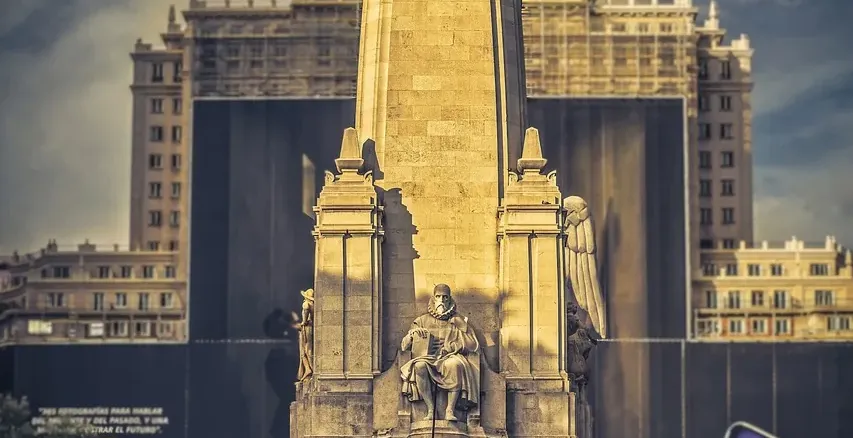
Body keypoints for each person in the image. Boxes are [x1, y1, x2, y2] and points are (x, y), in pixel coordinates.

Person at [400, 284, 479, 421]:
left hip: (449, 356)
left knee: (454, 365)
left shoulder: (457, 320)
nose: (441, 300)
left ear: (449, 299)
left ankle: (450, 410)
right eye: (438, 297)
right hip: (427, 357)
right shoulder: (421, 321)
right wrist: (411, 335)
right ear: (433, 298)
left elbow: (473, 345)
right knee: (419, 366)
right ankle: (430, 409)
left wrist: (453, 346)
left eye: (445, 297)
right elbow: (404, 347)